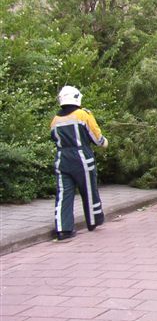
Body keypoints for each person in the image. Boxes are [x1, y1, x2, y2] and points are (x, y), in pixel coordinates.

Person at [50, 86, 109, 241]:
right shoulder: (83, 115)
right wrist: (103, 142)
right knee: (88, 190)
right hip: (81, 157)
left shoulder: (55, 120)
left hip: (61, 158)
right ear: (76, 98)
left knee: (64, 194)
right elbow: (96, 137)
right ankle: (93, 220)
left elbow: (54, 138)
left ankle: (64, 229)